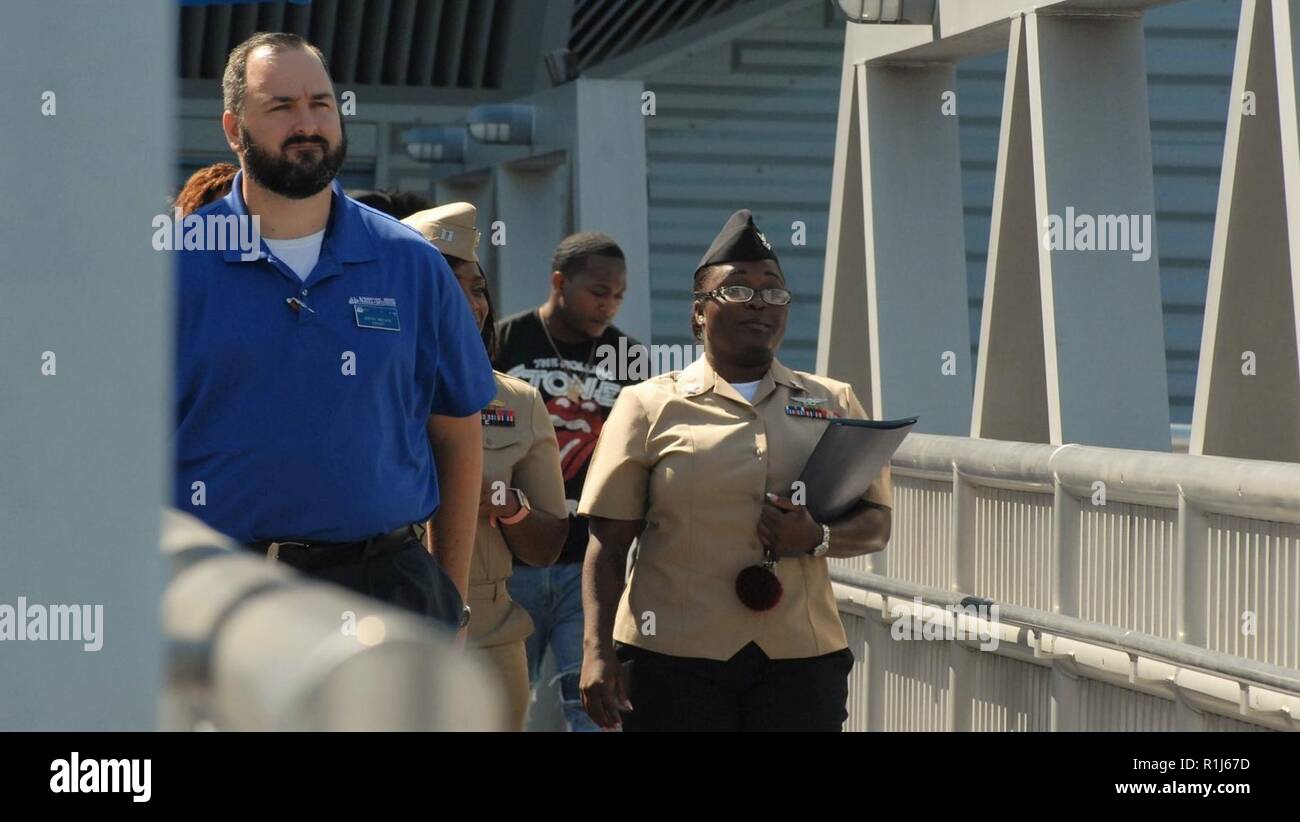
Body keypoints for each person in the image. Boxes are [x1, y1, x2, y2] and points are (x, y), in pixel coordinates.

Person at [173, 32, 494, 633]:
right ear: (233, 129)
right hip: (220, 602)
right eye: (281, 107)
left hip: (390, 595)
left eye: (321, 103)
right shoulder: (174, 266)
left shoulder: (411, 263)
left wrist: (448, 597)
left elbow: (456, 433)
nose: (308, 123)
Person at [577, 209, 894, 732]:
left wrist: (815, 536)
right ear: (699, 312)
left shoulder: (833, 400)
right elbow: (607, 546)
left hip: (799, 658)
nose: (760, 305)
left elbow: (876, 523)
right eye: (739, 291)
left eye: (774, 292)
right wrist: (595, 652)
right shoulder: (648, 406)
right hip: (674, 658)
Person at [401, 202, 569, 730]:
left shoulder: (518, 401)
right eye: (451, 284)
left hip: (488, 633)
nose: (471, 304)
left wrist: (507, 506)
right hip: (379, 622)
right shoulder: (356, 385)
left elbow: (548, 546)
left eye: (478, 289)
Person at [493, 232, 642, 731]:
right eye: (599, 291)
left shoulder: (630, 359)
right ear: (560, 281)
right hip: (508, 561)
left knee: (596, 709)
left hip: (589, 563)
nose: (609, 305)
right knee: (499, 705)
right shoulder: (505, 340)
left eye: (619, 295)